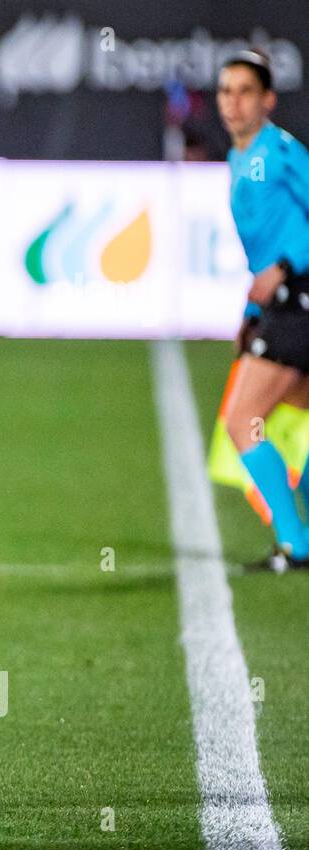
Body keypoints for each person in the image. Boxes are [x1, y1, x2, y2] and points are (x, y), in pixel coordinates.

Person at [218, 49, 309, 572]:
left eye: (245, 90)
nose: (233, 102)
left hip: (300, 300)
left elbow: (283, 249)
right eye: (226, 91)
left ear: (268, 99)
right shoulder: (240, 156)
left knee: (243, 421)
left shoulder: (281, 152)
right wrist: (250, 313)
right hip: (280, 305)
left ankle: (295, 542)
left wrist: (287, 263)